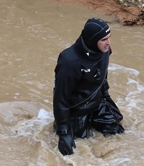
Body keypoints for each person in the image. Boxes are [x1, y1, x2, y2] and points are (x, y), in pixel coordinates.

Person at [53, 18, 125, 156]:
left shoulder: (105, 49)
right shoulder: (69, 62)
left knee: (118, 131)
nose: (109, 43)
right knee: (75, 151)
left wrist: (105, 95)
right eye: (104, 39)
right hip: (76, 110)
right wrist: (64, 131)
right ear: (92, 40)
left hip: (96, 100)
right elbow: (60, 97)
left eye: (109, 37)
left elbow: (102, 71)